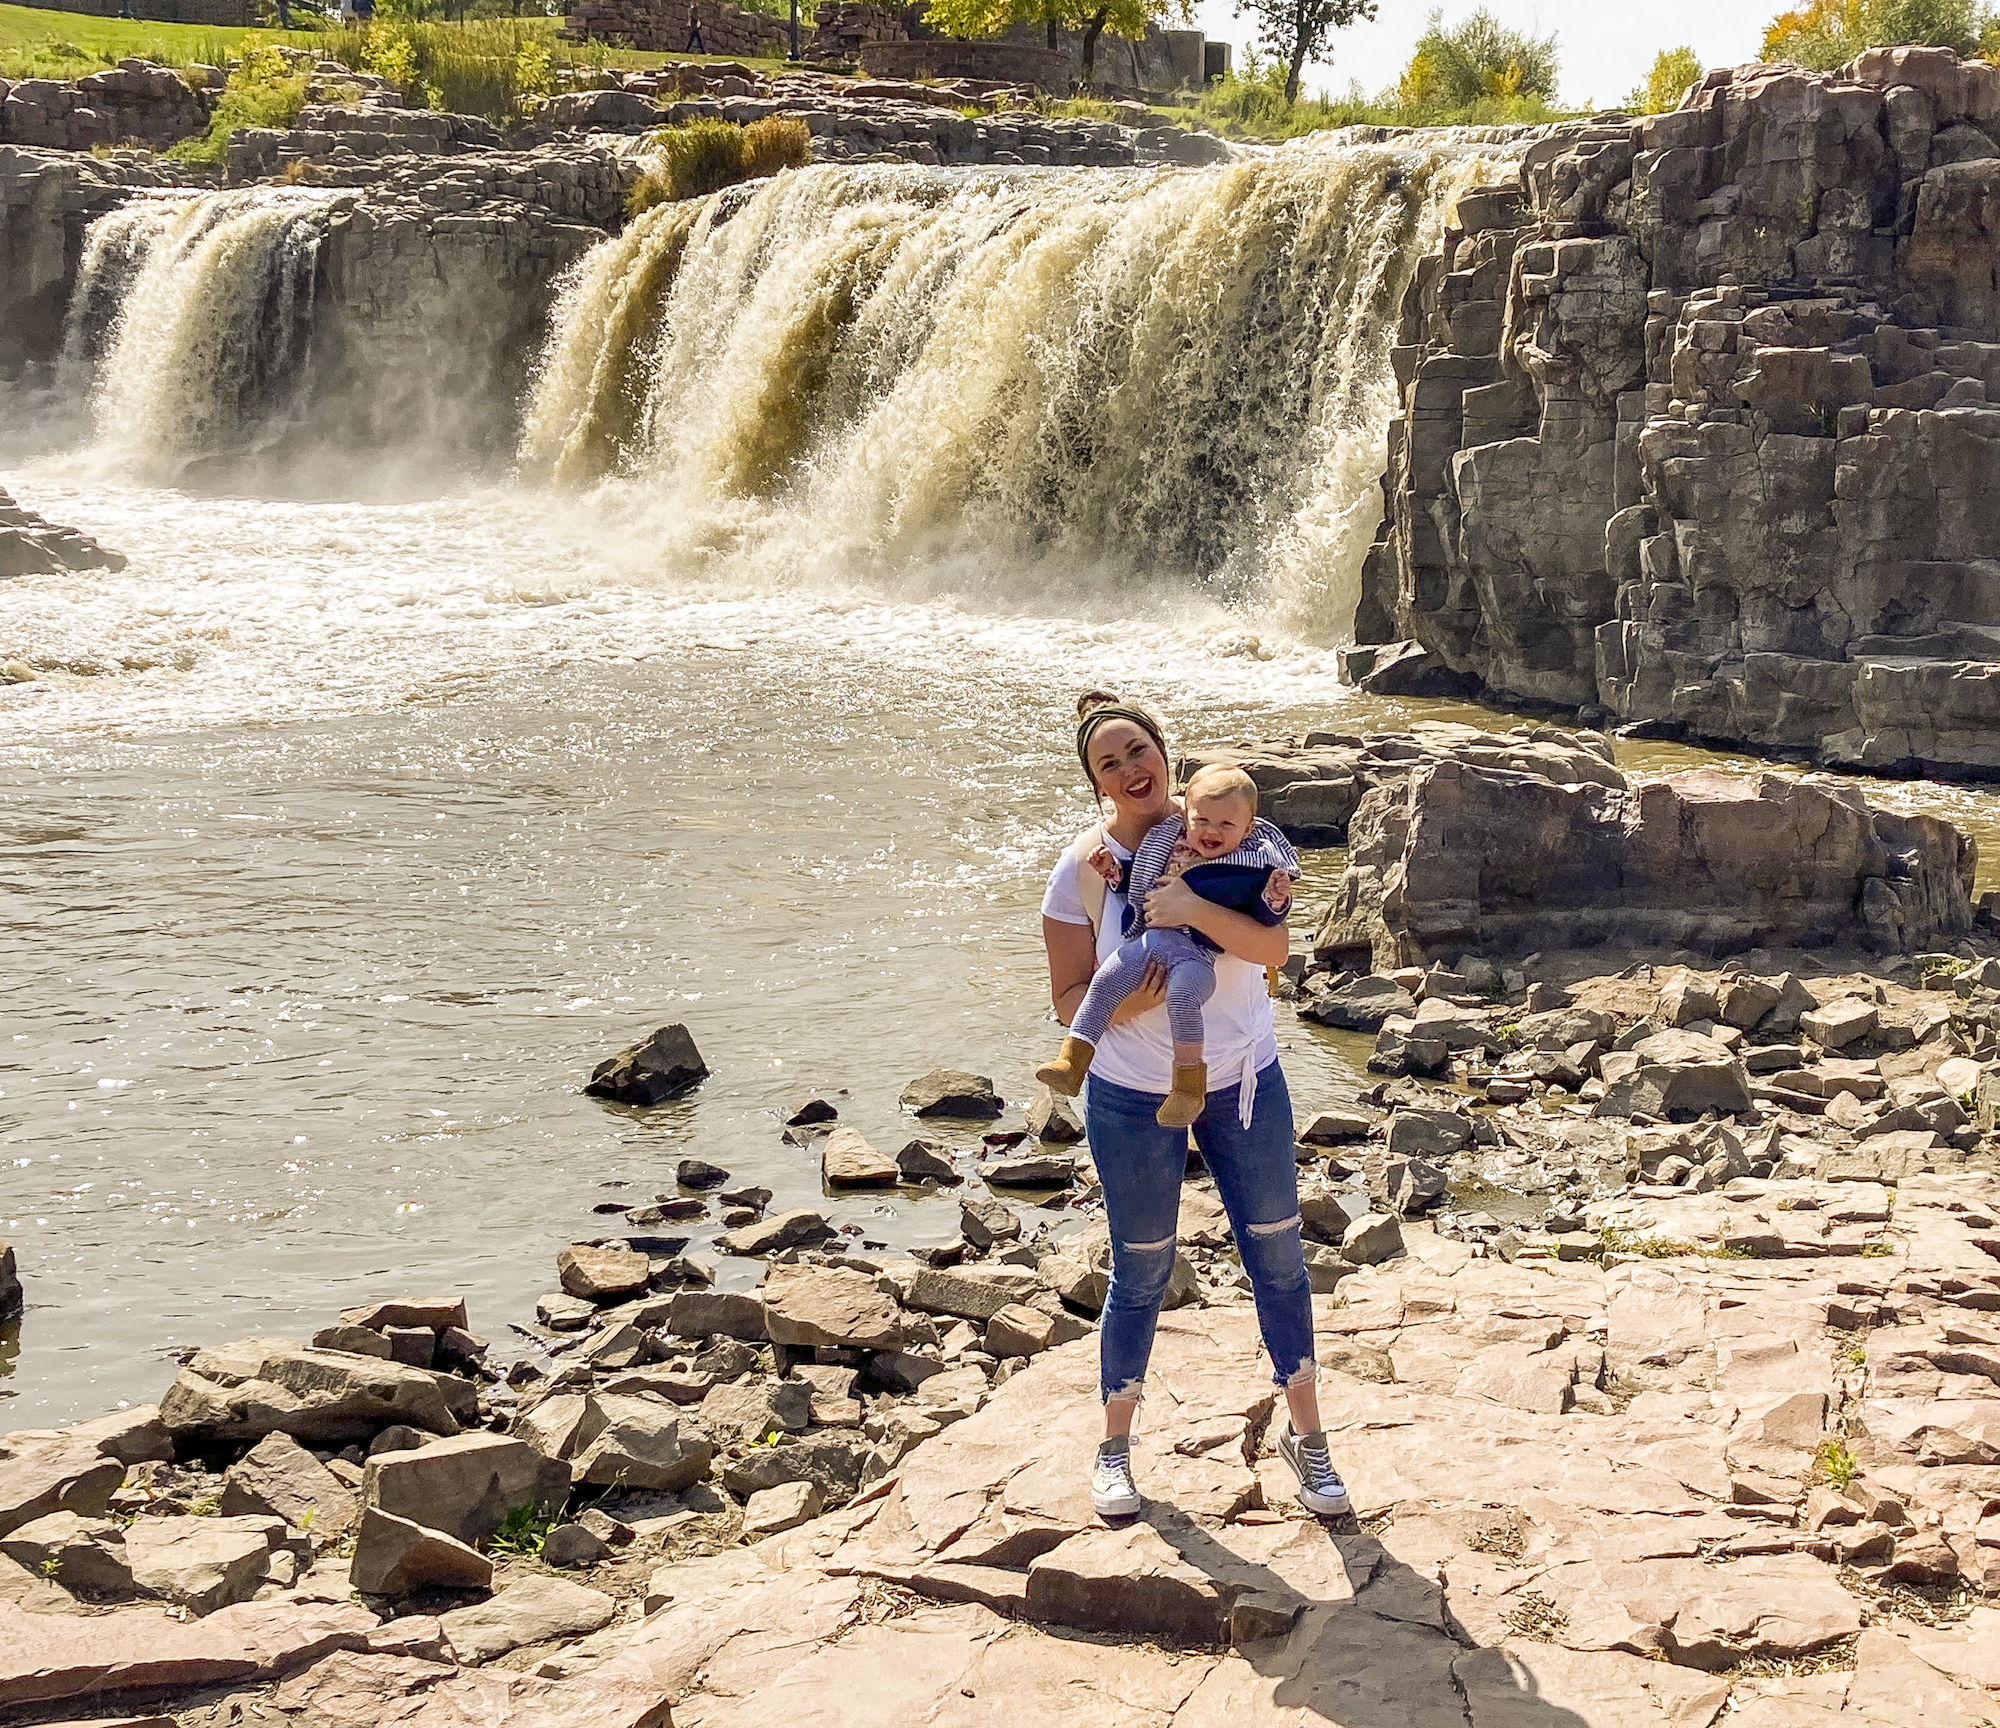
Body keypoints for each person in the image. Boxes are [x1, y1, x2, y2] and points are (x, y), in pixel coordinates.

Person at [1041, 691, 1351, 1522]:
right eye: (1110, 762)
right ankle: (1114, 1451)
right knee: (1140, 1270)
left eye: (1139, 749)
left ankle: (1309, 1439)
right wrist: (1137, 994)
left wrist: (1191, 912)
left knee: (1280, 1259)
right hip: (1132, 1096)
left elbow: (1275, 948)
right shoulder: (1083, 870)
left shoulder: (1234, 831)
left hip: (1246, 1082)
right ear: (1096, 783)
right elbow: (1071, 999)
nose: (1131, 768)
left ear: (1164, 753)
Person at [1036, 763, 1299, 1129]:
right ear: (1185, 815)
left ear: (1247, 828)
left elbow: (1267, 921)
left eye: (1226, 825)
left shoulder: (1250, 867)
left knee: (1182, 999)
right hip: (1148, 942)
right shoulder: (1166, 845)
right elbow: (1137, 885)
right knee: (1106, 980)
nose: (1211, 832)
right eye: (1202, 821)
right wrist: (1112, 869)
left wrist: (1275, 899)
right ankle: (1073, 1060)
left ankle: (1188, 1086)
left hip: (1196, 956)